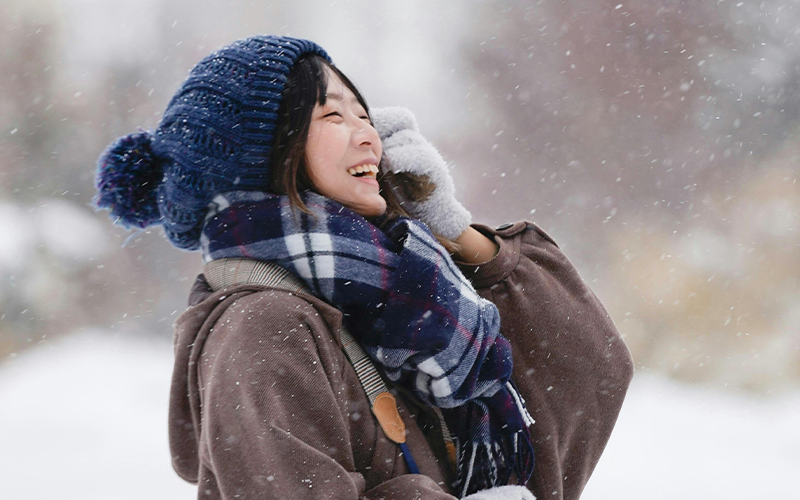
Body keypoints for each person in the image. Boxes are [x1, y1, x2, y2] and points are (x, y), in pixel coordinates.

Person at [93, 35, 633, 500]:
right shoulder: (265, 324)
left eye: (363, 113)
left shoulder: (396, 300)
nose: (370, 133)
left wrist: (452, 229)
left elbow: (590, 373)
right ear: (262, 155)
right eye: (333, 114)